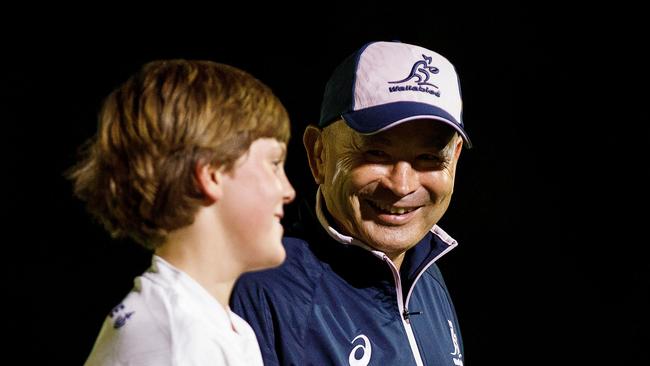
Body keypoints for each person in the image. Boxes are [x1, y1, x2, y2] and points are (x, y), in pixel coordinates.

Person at [231, 41, 471, 366]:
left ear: (454, 160)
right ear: (318, 154)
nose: (401, 185)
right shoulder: (262, 292)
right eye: (376, 153)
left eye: (428, 158)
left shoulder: (427, 275)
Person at [68, 59, 295, 365]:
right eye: (274, 164)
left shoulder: (224, 328)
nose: (288, 190)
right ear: (212, 174)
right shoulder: (176, 341)